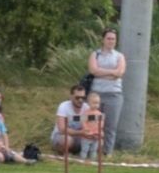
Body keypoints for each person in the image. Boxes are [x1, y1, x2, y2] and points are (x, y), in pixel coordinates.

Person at [88, 28, 126, 156]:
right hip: (96, 93)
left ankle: (107, 152)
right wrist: (111, 72)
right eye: (108, 38)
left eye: (113, 39)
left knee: (110, 125)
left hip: (113, 94)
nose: (111, 41)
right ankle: (91, 150)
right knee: (93, 122)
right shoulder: (95, 55)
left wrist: (102, 72)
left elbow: (119, 73)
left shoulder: (119, 56)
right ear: (103, 40)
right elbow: (93, 71)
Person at [50, 85, 91, 154]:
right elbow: (62, 129)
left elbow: (90, 125)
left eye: (83, 98)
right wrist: (80, 132)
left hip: (79, 137)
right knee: (67, 140)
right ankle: (64, 155)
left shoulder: (87, 107)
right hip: (61, 135)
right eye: (77, 98)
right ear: (71, 97)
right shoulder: (63, 106)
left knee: (97, 141)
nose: (80, 100)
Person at [79, 92, 104, 161]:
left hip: (95, 136)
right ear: (89, 103)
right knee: (84, 149)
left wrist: (98, 131)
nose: (96, 105)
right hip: (86, 136)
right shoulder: (86, 113)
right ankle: (82, 159)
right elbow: (83, 122)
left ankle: (93, 160)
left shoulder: (99, 114)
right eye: (94, 103)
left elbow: (101, 123)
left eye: (97, 103)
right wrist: (86, 130)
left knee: (94, 149)